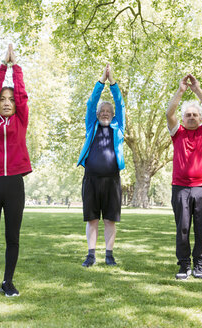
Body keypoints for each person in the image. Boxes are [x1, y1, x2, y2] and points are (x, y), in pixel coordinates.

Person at [0, 44, 32, 297]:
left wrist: (16, 67)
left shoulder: (21, 120)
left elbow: (22, 95)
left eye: (11, 99)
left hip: (14, 184)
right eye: (3, 99)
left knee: (13, 236)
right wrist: (3, 66)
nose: (7, 102)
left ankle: (8, 283)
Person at [165, 74, 202, 280]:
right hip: (180, 187)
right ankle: (184, 265)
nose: (192, 117)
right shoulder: (177, 133)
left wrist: (197, 90)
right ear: (183, 118)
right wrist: (181, 91)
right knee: (183, 228)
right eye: (188, 115)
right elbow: (169, 113)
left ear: (200, 118)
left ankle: (199, 266)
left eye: (195, 115)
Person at [77, 63, 125, 267]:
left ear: (113, 115)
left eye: (108, 111)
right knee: (92, 219)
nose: (105, 113)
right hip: (91, 179)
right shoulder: (91, 125)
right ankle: (90, 255)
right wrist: (101, 82)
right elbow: (91, 103)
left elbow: (120, 104)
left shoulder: (118, 126)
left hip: (112, 180)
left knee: (109, 220)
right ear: (97, 115)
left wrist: (112, 83)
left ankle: (109, 255)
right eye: (102, 111)